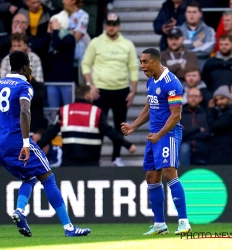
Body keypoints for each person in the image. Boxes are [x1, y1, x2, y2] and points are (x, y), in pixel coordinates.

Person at [0, 51, 90, 237]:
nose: (30, 67)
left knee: (30, 177)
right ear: (24, 67)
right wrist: (26, 143)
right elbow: (24, 111)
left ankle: (19, 211)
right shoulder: (24, 86)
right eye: (29, 64)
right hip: (17, 142)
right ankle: (69, 228)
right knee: (48, 177)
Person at [121, 48, 191, 235]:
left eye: (145, 62)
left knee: (169, 174)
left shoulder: (172, 83)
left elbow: (176, 116)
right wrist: (133, 126)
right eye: (141, 62)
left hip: (167, 134)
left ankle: (184, 222)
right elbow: (149, 106)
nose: (142, 66)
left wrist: (160, 134)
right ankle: (159, 224)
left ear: (155, 62)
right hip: (155, 135)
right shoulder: (151, 80)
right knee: (151, 178)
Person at [82, 13, 138, 167]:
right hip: (100, 90)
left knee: (121, 125)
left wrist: (133, 91)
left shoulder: (127, 44)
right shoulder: (96, 43)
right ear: (105, 25)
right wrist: (90, 85)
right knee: (98, 125)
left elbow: (133, 68)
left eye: (114, 24)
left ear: (118, 26)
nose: (111, 27)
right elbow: (85, 64)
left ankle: (116, 157)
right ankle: (96, 157)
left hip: (121, 90)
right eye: (109, 24)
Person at [36, 85, 137, 167]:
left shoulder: (64, 110)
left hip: (69, 163)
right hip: (91, 163)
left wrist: (34, 149)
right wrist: (128, 145)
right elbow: (110, 132)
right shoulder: (96, 112)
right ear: (88, 95)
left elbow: (50, 133)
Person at [179, 1, 215, 70]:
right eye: (189, 12)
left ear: (200, 14)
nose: (191, 15)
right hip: (181, 71)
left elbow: (207, 50)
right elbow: (174, 47)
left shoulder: (209, 31)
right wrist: (193, 44)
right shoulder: (178, 31)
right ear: (185, 14)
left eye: (194, 12)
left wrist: (185, 50)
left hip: (202, 69)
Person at [207, 85, 232, 165]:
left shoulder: (229, 114)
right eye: (216, 100)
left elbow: (213, 127)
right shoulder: (221, 113)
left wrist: (210, 110)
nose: (219, 102)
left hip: (225, 153)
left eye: (222, 98)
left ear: (229, 99)